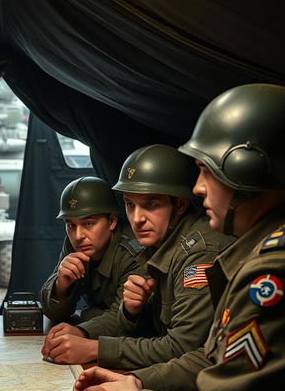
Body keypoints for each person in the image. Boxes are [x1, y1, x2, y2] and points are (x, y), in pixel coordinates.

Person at [73, 83, 285, 391]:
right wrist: (131, 375)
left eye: (207, 171)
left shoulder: (267, 272)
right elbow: (210, 355)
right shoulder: (249, 250)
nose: (197, 187)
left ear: (247, 172)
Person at [41, 145, 234, 369]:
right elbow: (145, 325)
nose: (137, 219)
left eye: (150, 205)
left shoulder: (197, 254)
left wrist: (94, 347)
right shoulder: (157, 241)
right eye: (130, 205)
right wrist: (131, 311)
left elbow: (182, 347)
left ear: (180, 204)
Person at [40, 176, 144, 324]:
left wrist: (84, 324)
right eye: (71, 225)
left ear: (112, 221)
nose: (78, 235)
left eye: (88, 223)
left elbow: (124, 322)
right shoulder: (75, 244)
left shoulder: (133, 254)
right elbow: (53, 313)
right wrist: (60, 287)